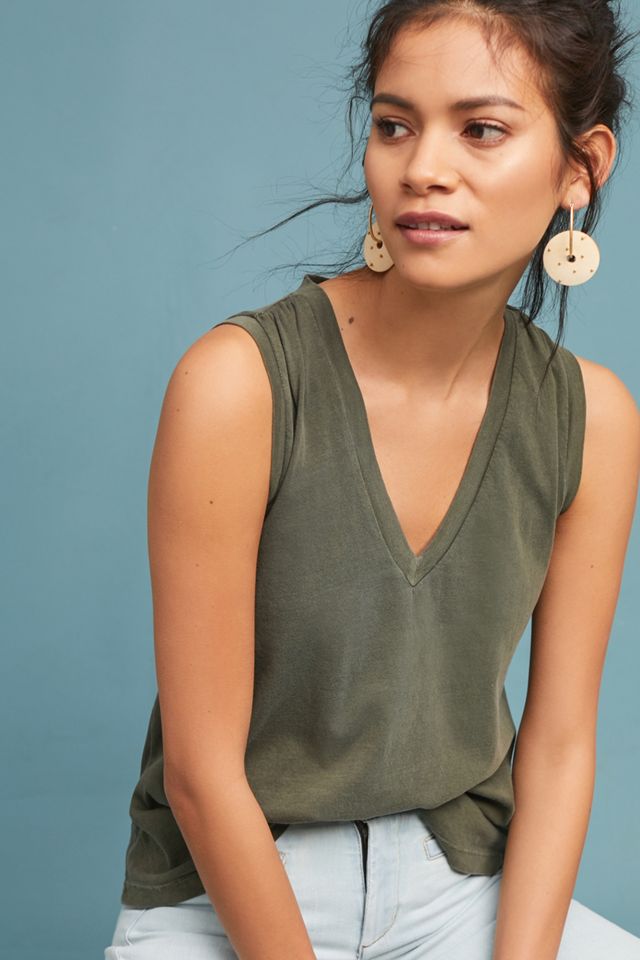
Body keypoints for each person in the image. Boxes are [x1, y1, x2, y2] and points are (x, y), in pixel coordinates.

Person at [105, 1, 640, 958]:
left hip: (460, 888)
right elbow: (201, 774)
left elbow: (560, 749)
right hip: (233, 893)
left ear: (580, 167)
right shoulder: (240, 385)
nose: (423, 166)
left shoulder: (590, 418)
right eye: (395, 125)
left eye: (481, 129)